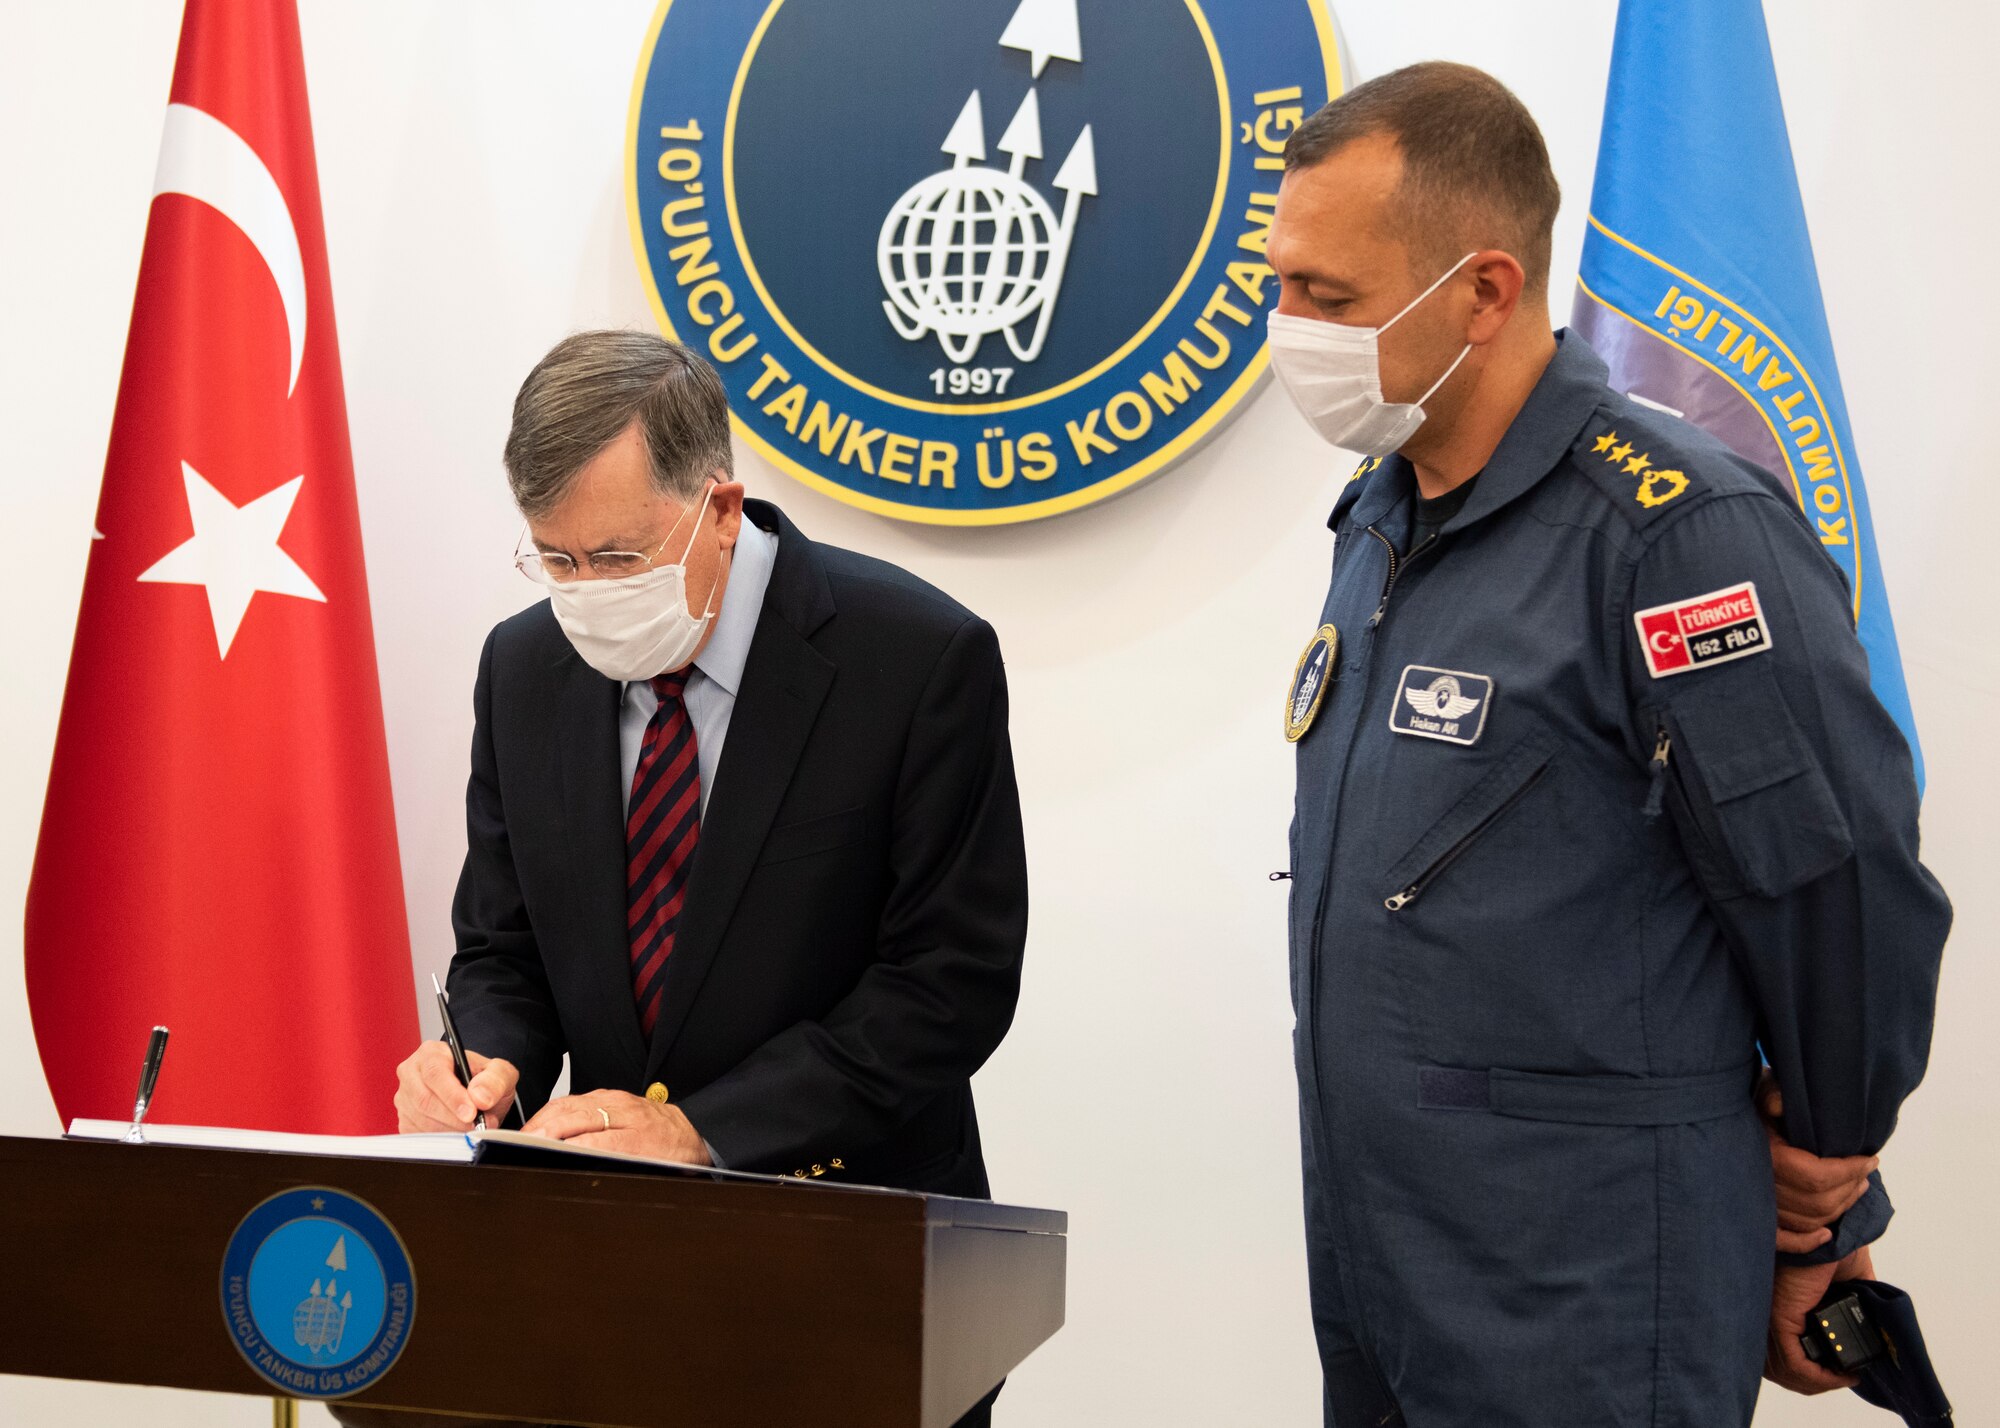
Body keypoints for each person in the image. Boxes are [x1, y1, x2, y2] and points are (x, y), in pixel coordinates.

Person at [1263, 63, 1949, 1426]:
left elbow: (1835, 885)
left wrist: (1821, 1195)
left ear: (1486, 289)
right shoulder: (1385, 514)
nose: (1291, 330)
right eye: (1282, 287)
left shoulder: (1676, 534)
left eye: (1328, 298)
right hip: (1388, 1261)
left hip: (1582, 1285)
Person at [375, 330, 1025, 1427]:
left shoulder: (915, 658)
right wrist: (482, 1060)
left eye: (618, 559)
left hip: (857, 1264)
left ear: (719, 508)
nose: (584, 596)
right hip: (612, 1275)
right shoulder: (525, 667)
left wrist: (705, 1128)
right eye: (555, 559)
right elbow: (505, 948)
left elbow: (945, 985)